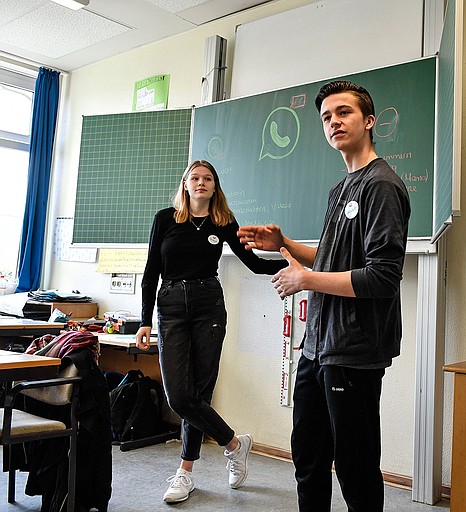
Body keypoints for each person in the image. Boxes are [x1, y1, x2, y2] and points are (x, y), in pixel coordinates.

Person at [237, 80, 411, 511]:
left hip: (354, 351)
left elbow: (383, 277)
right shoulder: (341, 188)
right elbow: (336, 256)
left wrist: (306, 279)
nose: (334, 122)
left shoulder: (382, 186)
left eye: (344, 112)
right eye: (326, 117)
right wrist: (287, 245)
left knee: (354, 467)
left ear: (369, 121)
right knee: (309, 457)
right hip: (317, 345)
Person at [135, 160, 287, 503]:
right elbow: (150, 272)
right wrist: (145, 320)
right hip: (171, 305)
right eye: (195, 178)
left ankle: (185, 473)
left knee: (199, 393)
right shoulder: (165, 219)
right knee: (179, 395)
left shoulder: (223, 222)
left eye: (207, 179)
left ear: (215, 187)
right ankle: (235, 444)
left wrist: (295, 261)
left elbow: (256, 264)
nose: (201, 183)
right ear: (185, 184)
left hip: (208, 306)